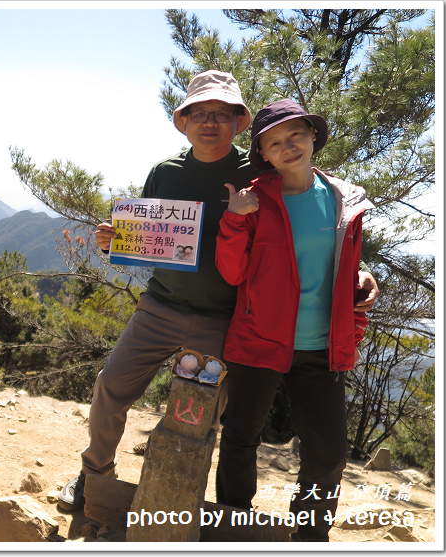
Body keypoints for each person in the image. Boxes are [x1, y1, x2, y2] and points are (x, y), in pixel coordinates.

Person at [57, 71, 380, 511]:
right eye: (200, 113)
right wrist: (115, 239)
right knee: (110, 388)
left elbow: (310, 230)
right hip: (159, 306)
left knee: (199, 416)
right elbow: (151, 237)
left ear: (239, 123)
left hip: (224, 320)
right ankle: (93, 475)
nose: (210, 122)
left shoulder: (261, 173)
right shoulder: (165, 172)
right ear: (184, 121)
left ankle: (177, 498)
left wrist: (356, 271)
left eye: (222, 114)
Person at [214, 99, 374, 541]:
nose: (289, 146)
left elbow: (345, 264)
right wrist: (233, 218)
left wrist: (363, 278)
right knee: (241, 438)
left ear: (313, 137)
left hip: (322, 346)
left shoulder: (345, 200)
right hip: (259, 339)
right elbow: (232, 272)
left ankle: (308, 537)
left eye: (296, 135)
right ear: (263, 154)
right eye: (275, 142)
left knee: (329, 454)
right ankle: (232, 528)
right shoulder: (256, 200)